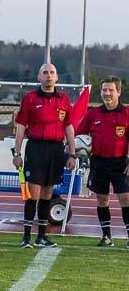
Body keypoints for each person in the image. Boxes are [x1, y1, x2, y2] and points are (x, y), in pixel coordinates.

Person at [12, 63, 77, 249]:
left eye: (52, 72)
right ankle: (26, 237)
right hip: (36, 148)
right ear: (38, 77)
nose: (49, 76)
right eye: (45, 72)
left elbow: (69, 127)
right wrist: (17, 153)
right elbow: (21, 127)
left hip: (56, 150)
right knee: (33, 193)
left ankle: (41, 236)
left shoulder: (64, 99)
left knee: (48, 192)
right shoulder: (30, 99)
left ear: (57, 77)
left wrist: (72, 153)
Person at [74, 76, 129, 247]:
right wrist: (78, 149)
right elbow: (78, 135)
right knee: (101, 199)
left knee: (125, 198)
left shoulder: (127, 114)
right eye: (104, 90)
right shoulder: (93, 114)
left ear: (118, 92)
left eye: (111, 90)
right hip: (98, 162)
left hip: (121, 163)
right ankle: (106, 236)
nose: (107, 93)